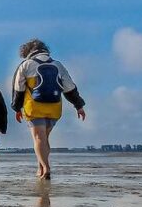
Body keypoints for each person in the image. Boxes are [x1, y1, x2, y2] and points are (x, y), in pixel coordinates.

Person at [10, 38, 86, 180]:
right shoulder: (58, 65)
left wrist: (16, 108)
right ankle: (40, 167)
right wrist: (79, 106)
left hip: (34, 107)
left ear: (27, 52)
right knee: (44, 139)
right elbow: (70, 88)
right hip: (54, 108)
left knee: (38, 138)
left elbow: (18, 89)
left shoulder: (25, 65)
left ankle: (46, 168)